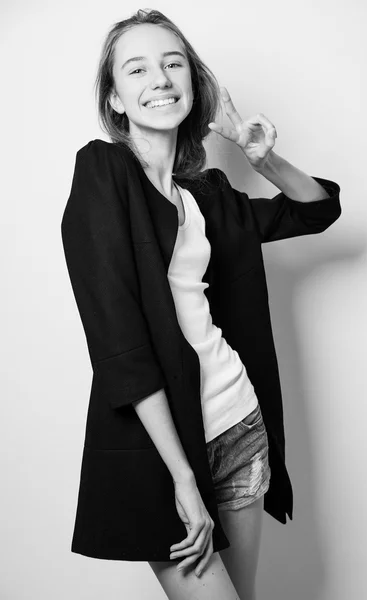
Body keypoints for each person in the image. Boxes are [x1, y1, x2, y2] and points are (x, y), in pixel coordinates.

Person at [61, 8, 342, 600]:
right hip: (163, 450)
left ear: (193, 80)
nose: (159, 79)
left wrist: (259, 156)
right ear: (115, 98)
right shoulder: (103, 172)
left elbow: (317, 211)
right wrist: (182, 478)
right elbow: (119, 343)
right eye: (136, 69)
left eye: (173, 63)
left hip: (240, 423)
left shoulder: (210, 197)